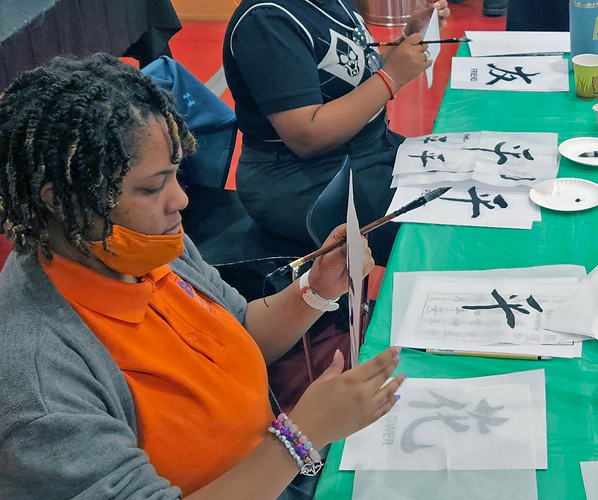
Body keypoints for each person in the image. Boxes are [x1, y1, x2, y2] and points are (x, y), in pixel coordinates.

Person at [0, 55, 405, 500]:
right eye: (152, 188)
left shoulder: (139, 246)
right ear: (60, 200)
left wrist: (316, 289)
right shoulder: (40, 381)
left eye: (175, 175)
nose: (180, 200)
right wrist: (300, 438)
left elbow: (238, 329)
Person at [224, 0, 449, 261]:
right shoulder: (267, 20)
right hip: (299, 181)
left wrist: (406, 38)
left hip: (362, 154)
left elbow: (348, 71)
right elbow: (307, 135)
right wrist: (392, 77)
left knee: (463, 179)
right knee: (440, 223)